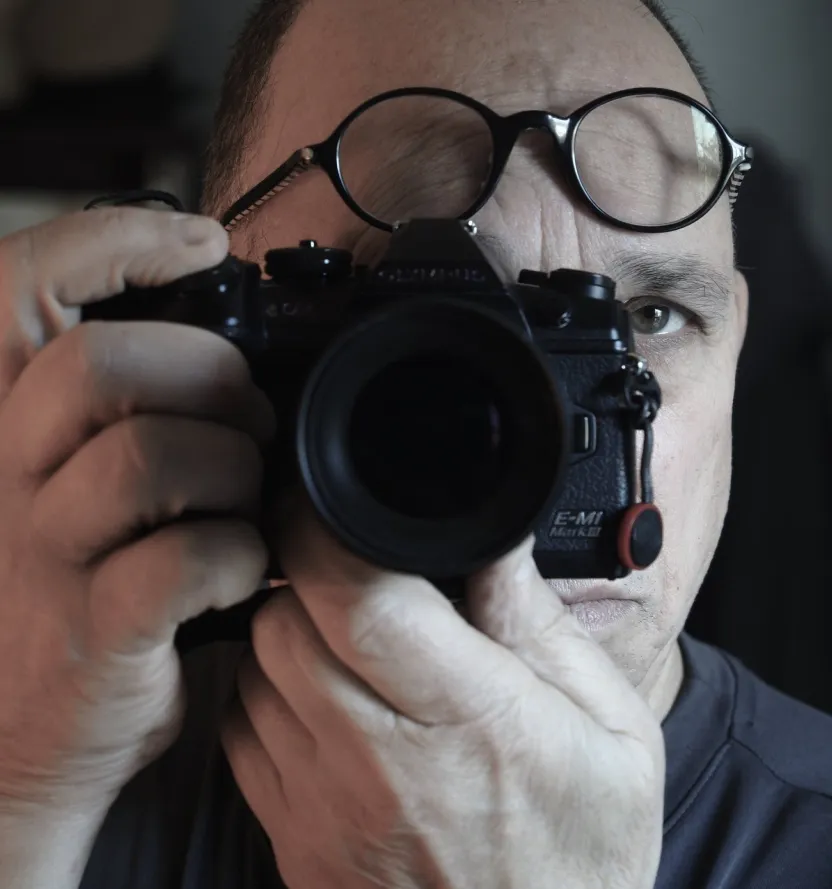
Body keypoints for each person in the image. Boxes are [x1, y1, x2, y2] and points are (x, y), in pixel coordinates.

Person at [0, 0, 830, 887]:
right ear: (218, 321)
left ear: (733, 346)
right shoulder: (56, 740)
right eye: (404, 321)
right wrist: (26, 794)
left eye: (647, 318)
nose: (531, 437)